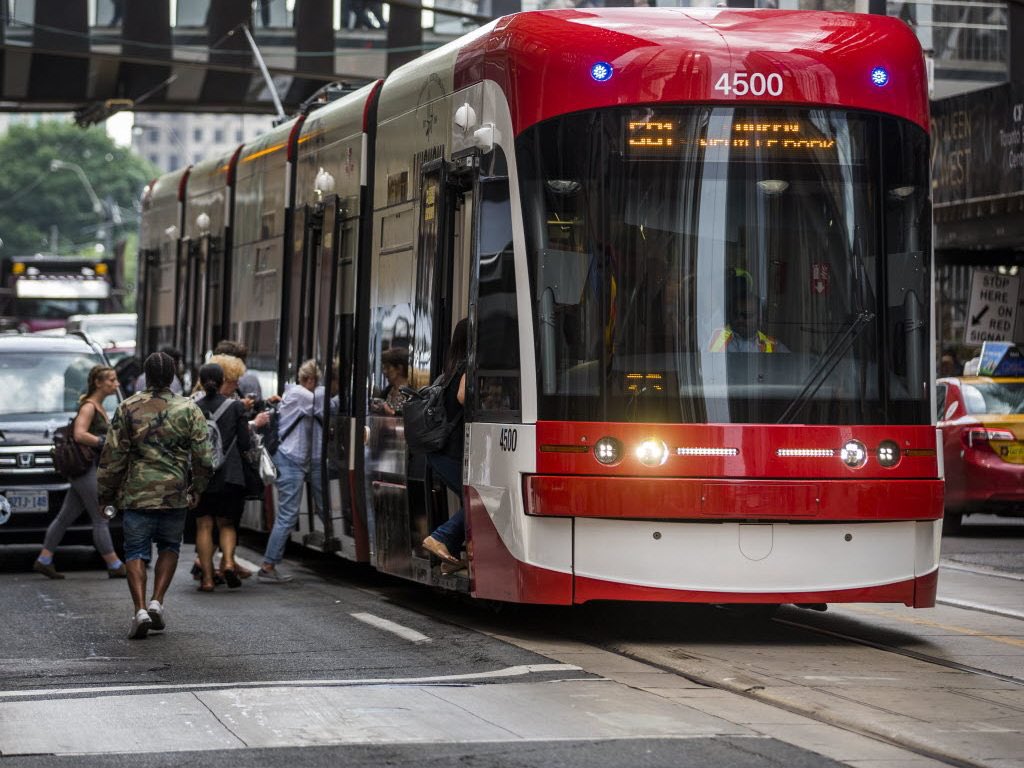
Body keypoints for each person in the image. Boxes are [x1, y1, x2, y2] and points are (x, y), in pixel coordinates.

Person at [98, 351, 213, 640]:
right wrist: (197, 487)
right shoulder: (188, 409)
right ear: (173, 376)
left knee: (135, 551)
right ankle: (156, 602)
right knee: (169, 547)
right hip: (174, 494)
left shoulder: (127, 407)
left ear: (146, 376)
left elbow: (113, 456)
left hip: (136, 493)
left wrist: (106, 494)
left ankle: (138, 610)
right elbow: (203, 457)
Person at [34, 366, 126, 580]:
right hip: (85, 470)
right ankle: (114, 564)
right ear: (98, 383)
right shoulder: (89, 407)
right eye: (112, 380)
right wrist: (102, 442)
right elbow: (79, 434)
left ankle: (44, 560)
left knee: (64, 518)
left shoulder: (99, 406)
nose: (117, 384)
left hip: (87, 470)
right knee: (101, 516)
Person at [259, 359, 324, 582]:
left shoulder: (295, 393)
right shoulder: (302, 395)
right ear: (311, 380)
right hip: (290, 461)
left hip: (293, 460)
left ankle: (269, 565)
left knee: (288, 514)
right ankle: (268, 566)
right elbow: (325, 403)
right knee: (287, 515)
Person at [192, 360, 253, 592]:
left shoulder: (191, 406)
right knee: (227, 523)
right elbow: (245, 443)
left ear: (200, 381)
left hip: (201, 475)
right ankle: (228, 563)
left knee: (204, 525)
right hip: (230, 475)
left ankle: (207, 579)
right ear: (221, 382)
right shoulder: (236, 407)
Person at [421, 320, 468, 574]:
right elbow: (463, 397)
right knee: (479, 503)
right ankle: (440, 538)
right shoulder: (467, 367)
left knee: (471, 502)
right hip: (449, 453)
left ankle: (450, 559)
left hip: (440, 453)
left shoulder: (450, 368)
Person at [708, 272, 788, 353]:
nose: (739, 319)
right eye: (736, 314)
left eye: (746, 315)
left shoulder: (773, 346)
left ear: (760, 318)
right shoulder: (717, 339)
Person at [372, 347, 410, 415]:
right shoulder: (387, 391)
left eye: (388, 367)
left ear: (399, 368)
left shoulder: (413, 394)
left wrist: (392, 413)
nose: (384, 371)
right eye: (384, 368)